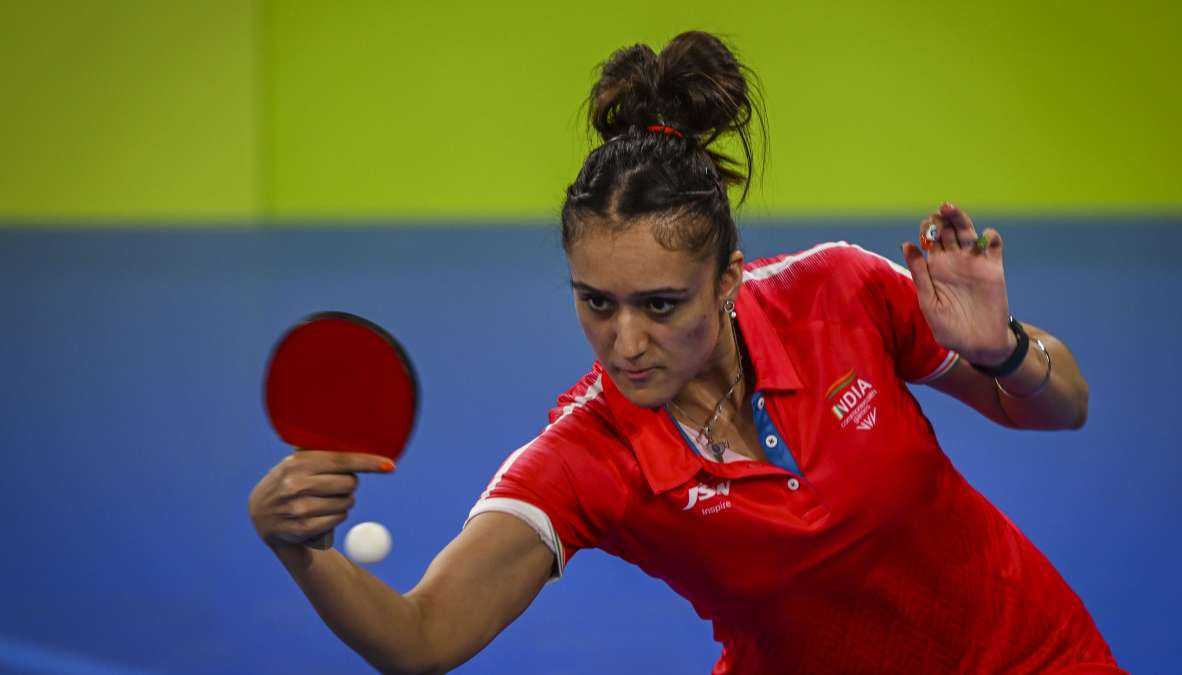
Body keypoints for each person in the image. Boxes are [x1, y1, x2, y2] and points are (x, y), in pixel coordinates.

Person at [248, 30, 1123, 674]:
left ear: (730, 279)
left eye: (660, 304)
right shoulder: (590, 457)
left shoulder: (840, 291)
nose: (625, 343)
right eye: (596, 302)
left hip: (1035, 652)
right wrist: (301, 548)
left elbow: (1064, 405)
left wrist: (1003, 352)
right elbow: (420, 638)